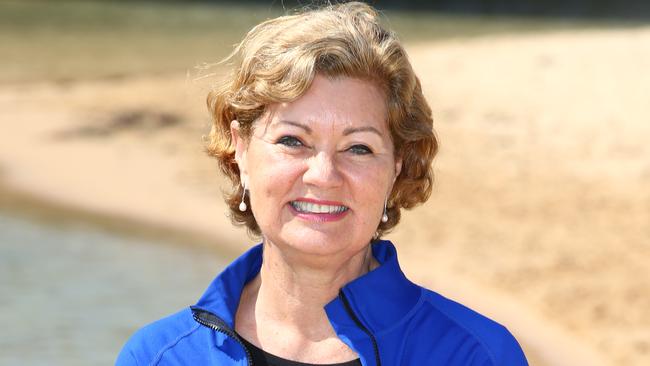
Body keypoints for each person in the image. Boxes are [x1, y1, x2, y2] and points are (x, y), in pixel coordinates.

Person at [117, 2, 528, 365]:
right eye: (293, 141)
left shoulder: (475, 355)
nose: (323, 175)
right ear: (240, 150)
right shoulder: (160, 357)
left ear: (397, 167)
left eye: (359, 148)